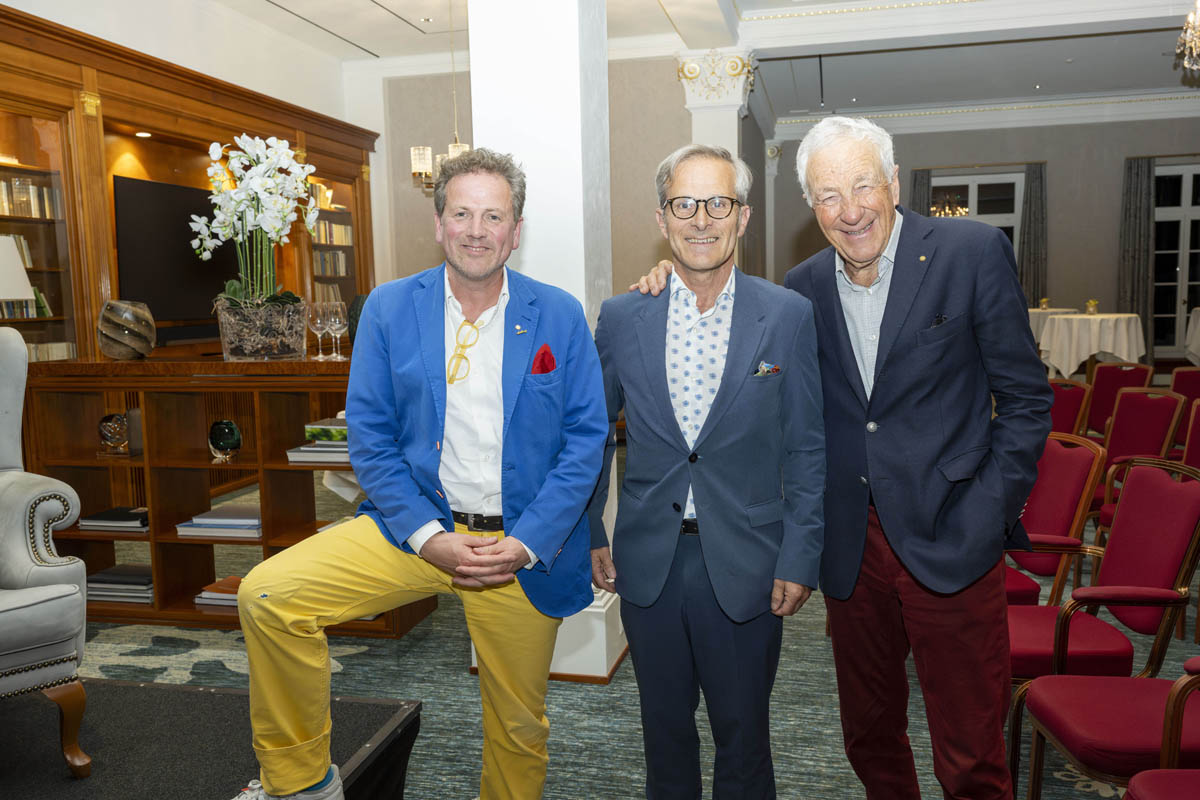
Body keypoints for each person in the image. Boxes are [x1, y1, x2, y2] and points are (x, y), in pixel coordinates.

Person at [634, 117, 1052, 800]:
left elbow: (1027, 400)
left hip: (954, 534)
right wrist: (669, 276)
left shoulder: (971, 252)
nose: (850, 210)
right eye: (828, 195)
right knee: (869, 735)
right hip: (853, 550)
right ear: (812, 206)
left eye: (863, 186)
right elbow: (774, 399)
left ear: (894, 183)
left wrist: (988, 513)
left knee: (970, 753)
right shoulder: (801, 289)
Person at [230, 148, 608, 800]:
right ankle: (302, 784)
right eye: (461, 213)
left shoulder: (559, 314)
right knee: (268, 596)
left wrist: (525, 544)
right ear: (438, 224)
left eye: (493, 216)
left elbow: (585, 443)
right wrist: (429, 538)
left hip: (517, 548)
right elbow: (371, 439)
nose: (476, 230)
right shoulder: (389, 307)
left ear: (516, 230)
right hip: (414, 529)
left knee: (518, 728)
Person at [589, 144, 825, 799]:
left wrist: (801, 555)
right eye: (684, 204)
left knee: (744, 740)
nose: (700, 219)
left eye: (717, 203)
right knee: (663, 736)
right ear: (662, 219)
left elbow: (807, 447)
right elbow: (592, 433)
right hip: (650, 564)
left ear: (742, 217)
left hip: (749, 560)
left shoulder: (787, 316)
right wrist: (590, 530)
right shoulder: (622, 317)